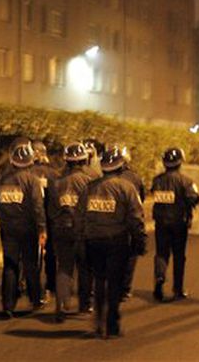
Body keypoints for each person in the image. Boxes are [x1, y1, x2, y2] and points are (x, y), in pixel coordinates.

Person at [79, 144, 146, 338]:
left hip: (94, 241)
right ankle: (112, 324)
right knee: (114, 284)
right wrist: (139, 241)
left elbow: (80, 216)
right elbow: (136, 218)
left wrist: (81, 239)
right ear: (120, 166)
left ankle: (98, 321)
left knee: (99, 281)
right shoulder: (127, 188)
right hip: (117, 241)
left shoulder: (90, 187)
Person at [0, 137, 47, 317]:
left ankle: (8, 305)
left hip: (7, 228)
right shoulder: (32, 181)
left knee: (10, 265)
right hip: (28, 228)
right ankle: (36, 299)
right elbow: (38, 206)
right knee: (31, 264)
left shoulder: (2, 180)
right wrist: (42, 229)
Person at [46, 142, 93, 322]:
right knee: (84, 268)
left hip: (61, 228)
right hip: (82, 230)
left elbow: (51, 210)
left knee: (64, 267)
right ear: (83, 159)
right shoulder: (90, 180)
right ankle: (84, 306)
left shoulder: (55, 181)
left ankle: (62, 304)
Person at [150, 147, 199, 302]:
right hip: (179, 223)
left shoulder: (157, 180)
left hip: (161, 223)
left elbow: (154, 194)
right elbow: (194, 198)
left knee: (161, 253)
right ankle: (178, 289)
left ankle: (159, 278)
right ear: (180, 162)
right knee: (179, 256)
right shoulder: (186, 181)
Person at [30, 140, 61, 301]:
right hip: (49, 218)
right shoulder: (54, 173)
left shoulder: (27, 173)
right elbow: (57, 198)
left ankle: (32, 287)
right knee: (50, 254)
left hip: (31, 218)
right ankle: (51, 285)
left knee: (31, 255)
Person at [116, 145, 146, 301]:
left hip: (113, 221)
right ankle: (125, 289)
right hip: (130, 220)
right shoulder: (135, 177)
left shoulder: (104, 177)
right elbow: (142, 199)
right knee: (131, 254)